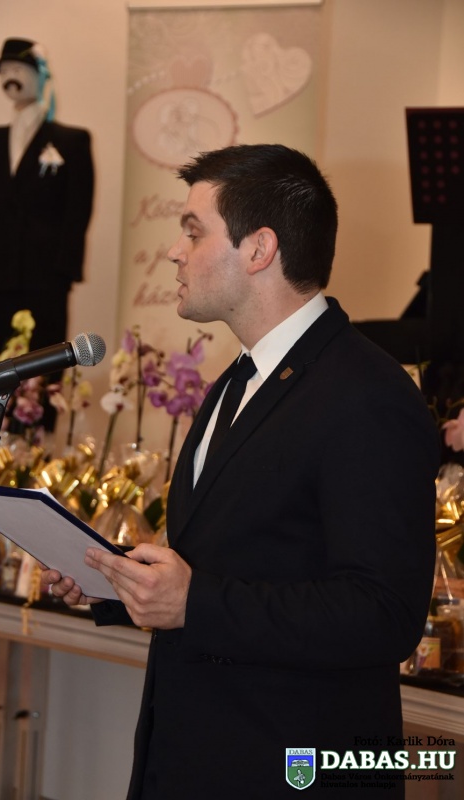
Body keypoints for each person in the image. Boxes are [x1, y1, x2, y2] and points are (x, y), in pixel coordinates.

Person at [42, 144, 440, 798]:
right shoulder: (239, 378)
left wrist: (192, 602)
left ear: (258, 249)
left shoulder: (367, 394)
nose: (173, 252)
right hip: (192, 755)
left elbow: (383, 612)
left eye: (193, 231)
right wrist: (116, 581)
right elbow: (235, 556)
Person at [0, 38, 94, 428]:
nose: (10, 78)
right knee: (0, 362)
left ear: (39, 76)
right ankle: (1, 434)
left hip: (46, 275)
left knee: (44, 363)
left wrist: (65, 268)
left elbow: (78, 209)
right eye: (4, 71)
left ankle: (38, 444)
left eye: (18, 70)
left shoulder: (71, 141)